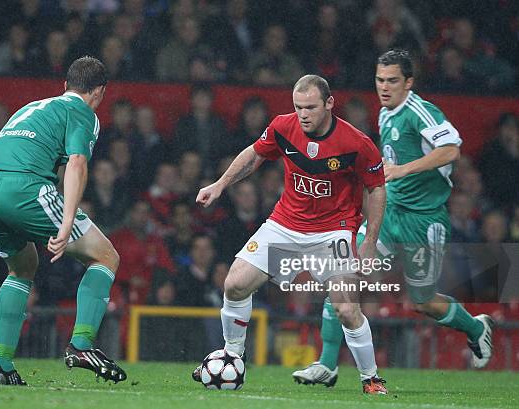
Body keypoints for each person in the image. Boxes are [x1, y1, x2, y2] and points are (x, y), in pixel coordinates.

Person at [0, 56, 127, 386]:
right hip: (24, 189)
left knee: (22, 267)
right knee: (105, 256)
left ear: (65, 86)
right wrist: (66, 222)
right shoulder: (82, 113)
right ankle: (81, 345)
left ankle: (1, 366)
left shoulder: (30, 108)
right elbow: (77, 163)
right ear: (100, 91)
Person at [303, 49, 494, 387]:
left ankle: (476, 328)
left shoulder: (420, 112)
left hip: (423, 221)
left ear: (409, 82)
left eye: (392, 81)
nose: (384, 87)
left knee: (423, 303)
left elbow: (451, 150)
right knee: (342, 274)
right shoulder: (385, 113)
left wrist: (403, 169)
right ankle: (327, 364)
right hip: (389, 215)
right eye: (380, 80)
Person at [192, 74, 388, 394]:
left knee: (346, 307)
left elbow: (377, 189)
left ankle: (371, 378)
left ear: (329, 104)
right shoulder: (284, 126)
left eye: (310, 107)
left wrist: (369, 241)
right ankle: (233, 355)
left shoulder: (357, 143)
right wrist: (220, 184)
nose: (304, 114)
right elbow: (255, 153)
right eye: (298, 107)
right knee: (235, 284)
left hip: (333, 233)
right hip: (285, 225)